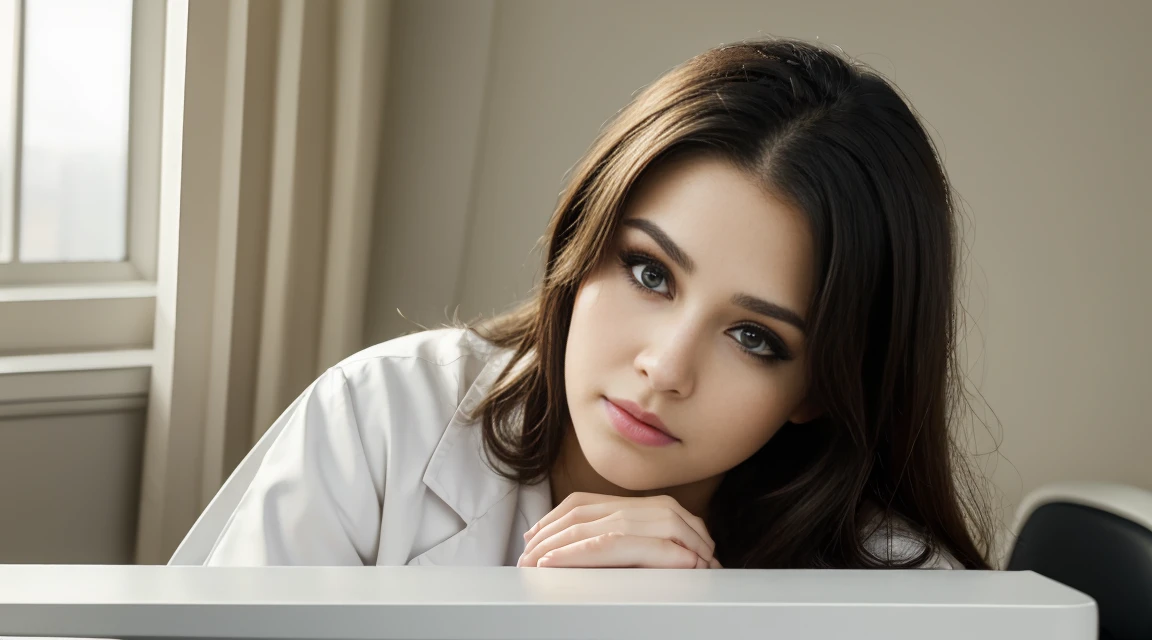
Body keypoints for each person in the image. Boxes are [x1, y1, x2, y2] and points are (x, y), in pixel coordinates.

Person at [195, 38, 994, 570]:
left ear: (819, 389)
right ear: (582, 249)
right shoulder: (384, 418)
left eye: (753, 336)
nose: (665, 367)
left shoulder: (898, 586)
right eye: (650, 273)